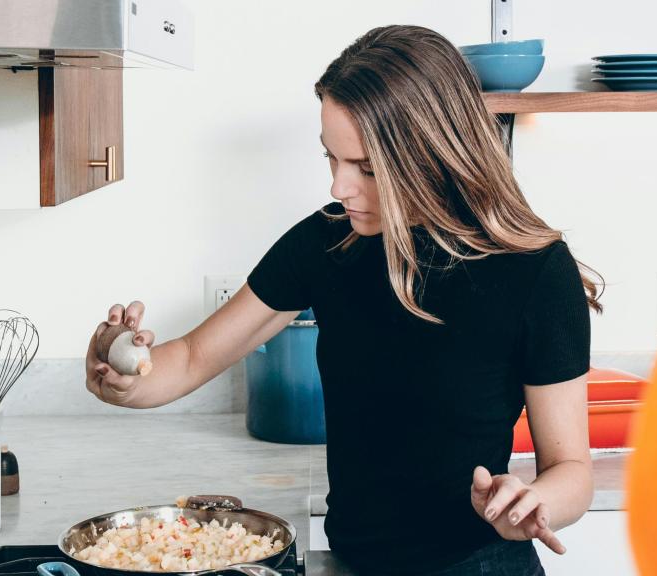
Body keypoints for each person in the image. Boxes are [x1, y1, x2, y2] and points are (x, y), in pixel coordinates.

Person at [86, 25, 603, 576]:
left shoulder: (535, 272)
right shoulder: (328, 241)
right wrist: (121, 373)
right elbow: (189, 358)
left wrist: (530, 501)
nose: (339, 187)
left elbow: (571, 468)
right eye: (332, 158)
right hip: (353, 562)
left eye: (367, 168)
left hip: (480, 561)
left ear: (435, 155)